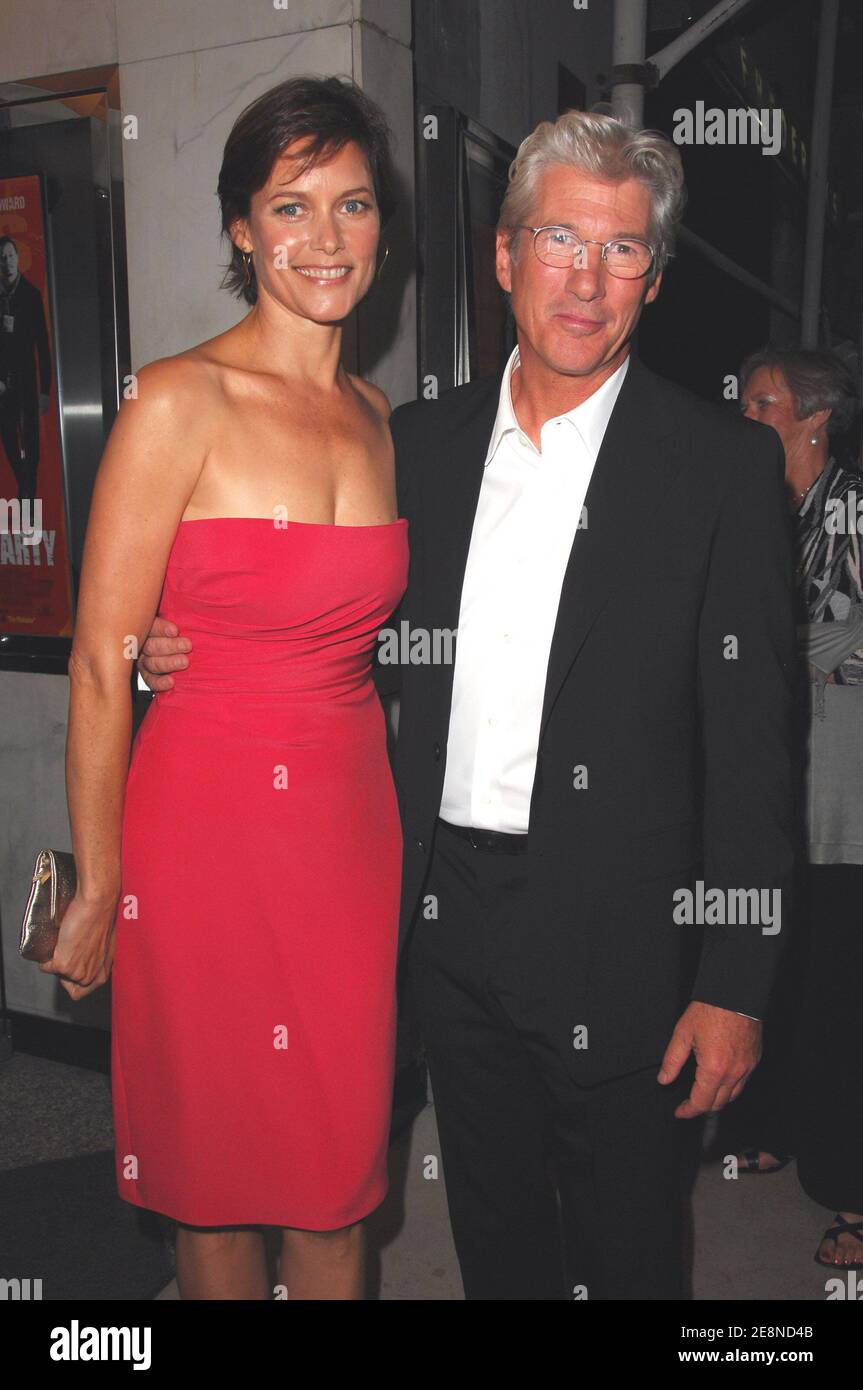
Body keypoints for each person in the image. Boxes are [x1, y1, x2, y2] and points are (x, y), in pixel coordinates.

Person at [141, 109, 798, 1300]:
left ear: (653, 278)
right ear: (503, 257)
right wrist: (168, 644)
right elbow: (326, 621)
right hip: (439, 930)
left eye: (623, 250)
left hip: (626, 942)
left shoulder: (720, 468)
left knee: (628, 1253)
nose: (585, 280)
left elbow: (757, 746)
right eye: (557, 238)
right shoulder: (418, 448)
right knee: (494, 1241)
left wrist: (733, 982)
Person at [51, 76, 407, 1300]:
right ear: (240, 228)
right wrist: (100, 884)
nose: (324, 240)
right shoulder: (174, 399)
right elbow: (102, 658)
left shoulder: (374, 416)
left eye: (352, 206)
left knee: (333, 1181)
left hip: (347, 834)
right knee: (212, 1181)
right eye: (290, 206)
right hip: (201, 831)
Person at [736, 348, 863, 1270]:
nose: (746, 413)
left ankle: (852, 1190)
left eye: (763, 402)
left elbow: (834, 635)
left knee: (841, 980)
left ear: (814, 419)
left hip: (843, 782)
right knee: (775, 956)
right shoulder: (754, 502)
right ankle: (774, 1122)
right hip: (775, 771)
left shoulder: (848, 508)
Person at [0, 235, 52, 508]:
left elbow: (42, 345)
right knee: (8, 439)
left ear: (18, 259)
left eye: (10, 256)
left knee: (31, 444)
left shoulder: (30, 295)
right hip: (2, 386)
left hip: (27, 383)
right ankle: (25, 486)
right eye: (2, 258)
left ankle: (27, 500)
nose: (7, 262)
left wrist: (45, 389)